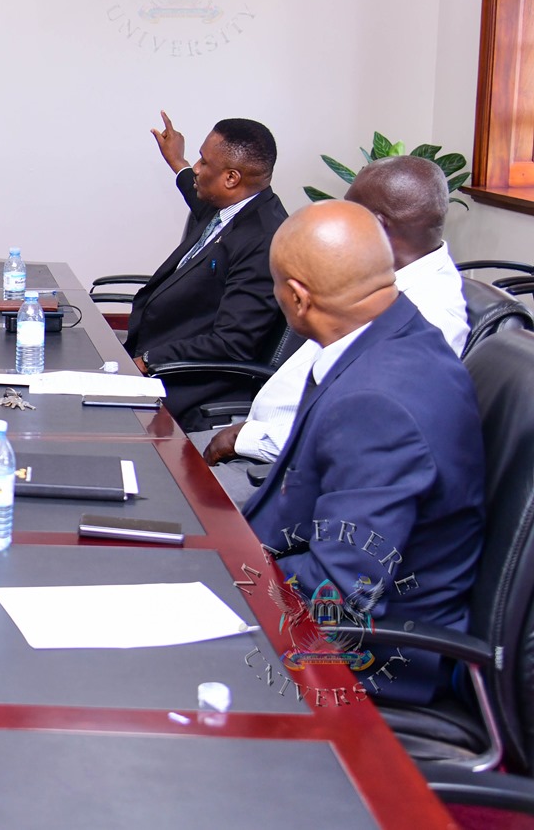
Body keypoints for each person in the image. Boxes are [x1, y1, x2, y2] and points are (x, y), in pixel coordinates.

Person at [243, 200, 484, 705]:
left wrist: (223, 583)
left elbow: (338, 589)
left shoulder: (376, 403)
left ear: (297, 298)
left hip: (373, 659)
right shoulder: (395, 334)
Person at [201, 157, 467, 497]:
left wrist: (248, 438)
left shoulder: (430, 315)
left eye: (349, 214)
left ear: (375, 227)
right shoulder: (381, 281)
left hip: (282, 472)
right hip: (262, 441)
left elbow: (361, 441)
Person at [125, 112, 288, 429]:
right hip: (150, 351)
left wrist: (148, 361)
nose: (196, 170)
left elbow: (233, 342)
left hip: (183, 386)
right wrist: (178, 161)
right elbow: (194, 190)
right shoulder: (229, 206)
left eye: (203, 162)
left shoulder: (263, 240)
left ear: (231, 178)